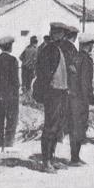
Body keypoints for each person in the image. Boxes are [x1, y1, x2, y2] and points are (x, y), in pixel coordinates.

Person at [32, 21, 70, 174]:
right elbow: (44, 74)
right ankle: (46, 161)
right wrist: (46, 92)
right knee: (50, 126)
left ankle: (51, 158)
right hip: (53, 93)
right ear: (56, 34)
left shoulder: (57, 49)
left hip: (60, 92)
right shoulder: (50, 49)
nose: (63, 37)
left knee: (57, 126)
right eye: (61, 34)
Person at [67, 33, 94, 166]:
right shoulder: (85, 60)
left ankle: (75, 157)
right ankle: (75, 158)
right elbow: (85, 82)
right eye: (91, 45)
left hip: (73, 97)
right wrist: (88, 98)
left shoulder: (76, 57)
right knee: (78, 127)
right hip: (80, 98)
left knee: (75, 127)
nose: (92, 47)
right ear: (88, 45)